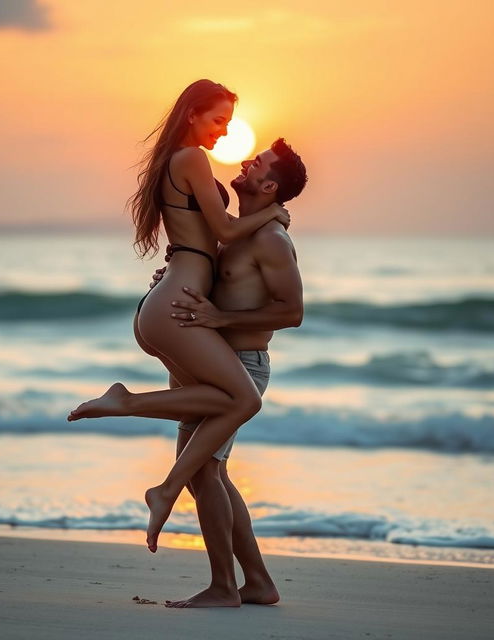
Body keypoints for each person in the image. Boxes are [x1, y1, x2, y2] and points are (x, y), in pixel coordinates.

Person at [68, 79, 290, 555]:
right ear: (192, 114)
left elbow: (206, 237)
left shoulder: (181, 160)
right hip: (174, 307)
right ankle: (129, 414)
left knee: (217, 413)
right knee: (243, 400)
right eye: (218, 120)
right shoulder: (191, 158)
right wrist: (274, 216)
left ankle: (246, 576)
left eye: (229, 123)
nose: (223, 132)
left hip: (170, 302)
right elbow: (225, 228)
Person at [154, 139, 307, 608]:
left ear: (268, 185)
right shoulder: (237, 235)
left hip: (242, 368)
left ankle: (226, 587)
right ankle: (256, 582)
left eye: (256, 163)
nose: (245, 162)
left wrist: (221, 321)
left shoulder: (271, 240)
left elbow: (292, 311)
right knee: (209, 474)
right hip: (216, 365)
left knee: (206, 473)